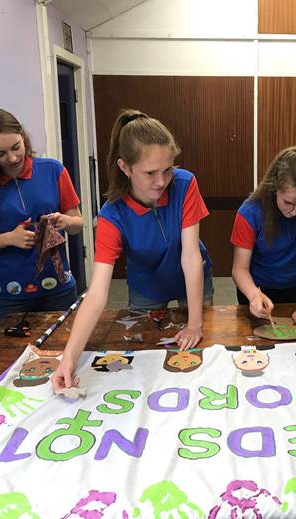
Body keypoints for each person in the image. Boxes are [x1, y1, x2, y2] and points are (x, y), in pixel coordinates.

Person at [52, 109, 213, 390]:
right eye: (150, 173)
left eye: (167, 169)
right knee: (145, 362)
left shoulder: (185, 183)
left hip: (193, 277)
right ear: (125, 168)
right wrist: (69, 357)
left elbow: (190, 257)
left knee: (202, 356)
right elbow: (98, 292)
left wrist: (195, 323)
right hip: (146, 287)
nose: (161, 181)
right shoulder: (112, 215)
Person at [0, 107, 83, 330]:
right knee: (8, 360)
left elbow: (77, 223)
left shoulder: (53, 170)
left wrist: (65, 221)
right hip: (8, 294)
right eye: (0, 154)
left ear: (23, 137)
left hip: (58, 287)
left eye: (16, 146)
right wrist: (6, 239)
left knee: (65, 352)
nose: (13, 158)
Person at [231, 146, 296, 331]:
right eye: (288, 202)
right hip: (257, 288)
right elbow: (240, 269)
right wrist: (254, 295)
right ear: (274, 188)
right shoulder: (249, 213)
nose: (294, 212)